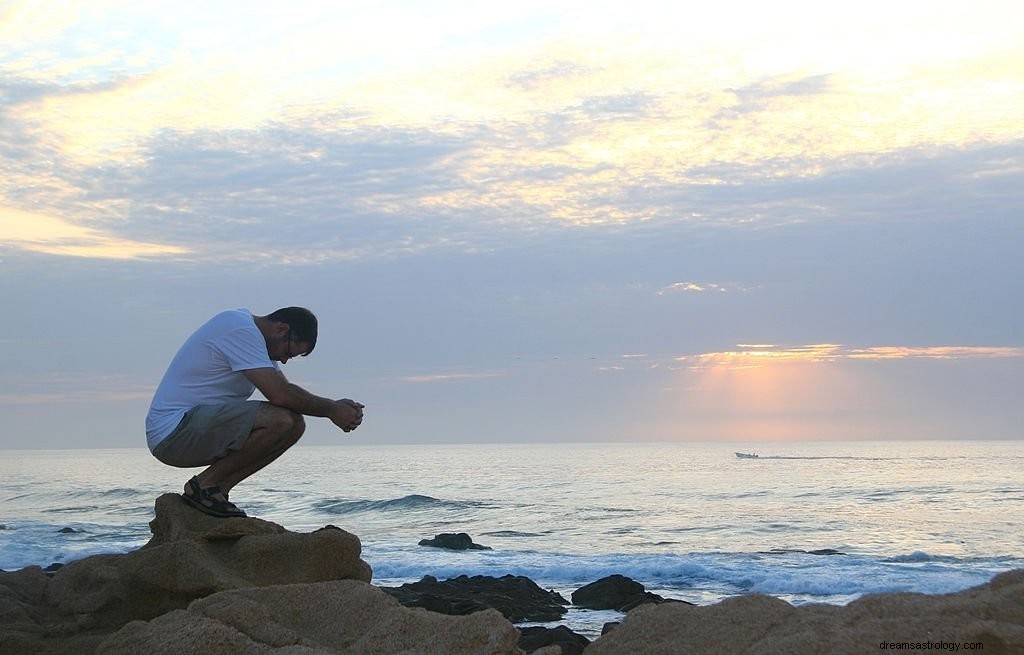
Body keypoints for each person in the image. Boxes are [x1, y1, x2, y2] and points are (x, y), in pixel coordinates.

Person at [145, 307, 364, 518]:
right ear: (280, 329)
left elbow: (286, 393)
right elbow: (280, 394)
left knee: (295, 425)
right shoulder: (237, 328)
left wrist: (335, 407)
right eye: (288, 352)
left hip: (191, 429)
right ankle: (203, 486)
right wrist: (333, 409)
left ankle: (216, 491)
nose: (285, 360)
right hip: (174, 432)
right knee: (280, 420)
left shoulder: (255, 341)